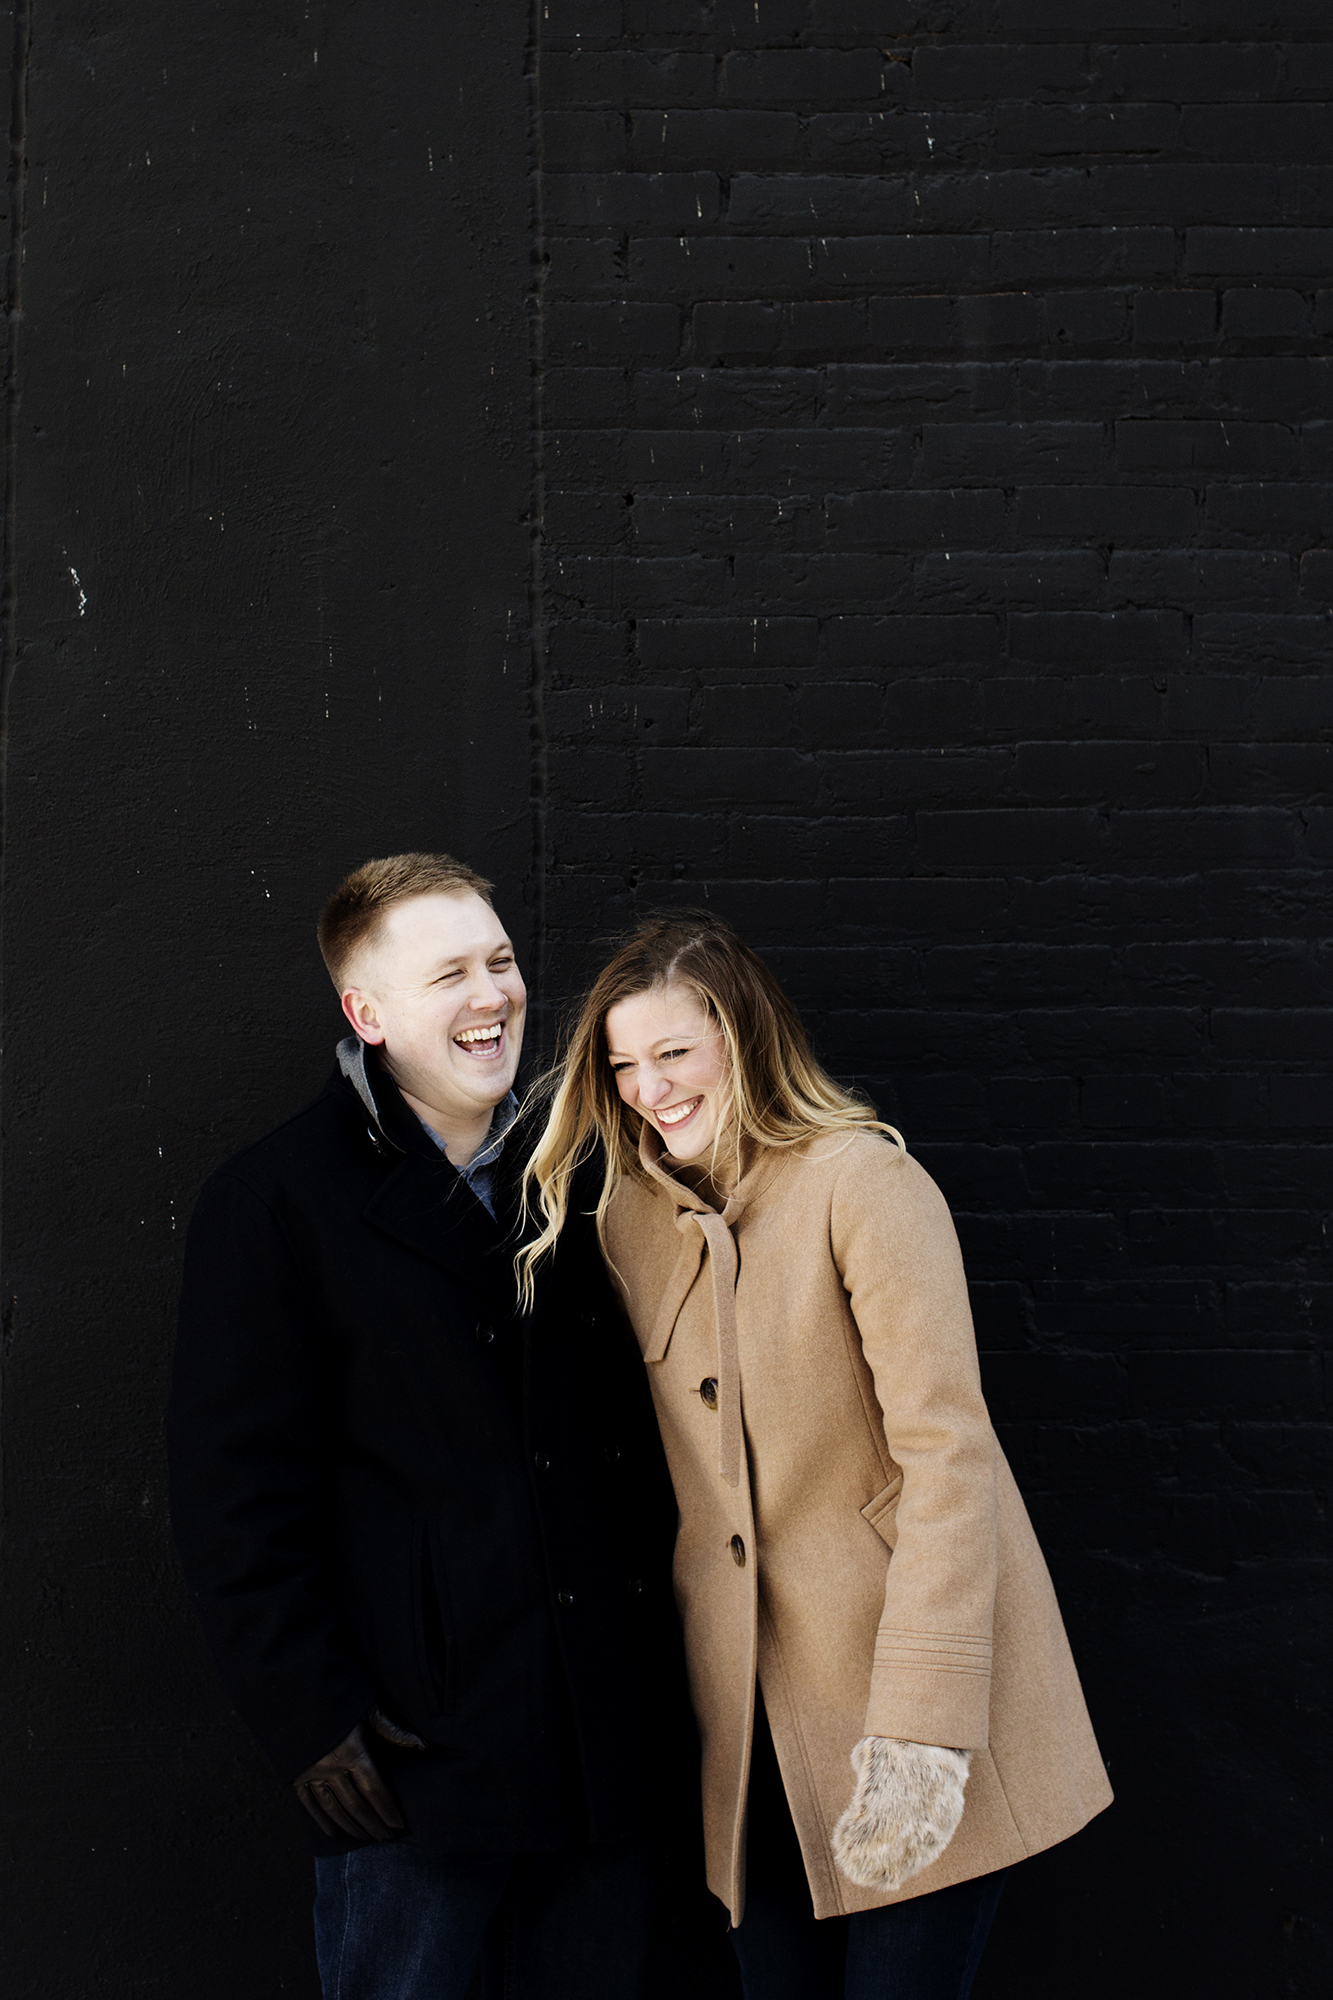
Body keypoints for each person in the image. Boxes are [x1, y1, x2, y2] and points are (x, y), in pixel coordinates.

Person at [520, 911, 1114, 2000]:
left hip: (908, 1704)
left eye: (672, 1053)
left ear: (738, 1039)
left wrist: (920, 1729)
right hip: (747, 1745)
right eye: (621, 1064)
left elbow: (948, 1456)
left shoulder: (863, 1183)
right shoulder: (625, 1223)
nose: (648, 1088)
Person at [167, 854, 694, 2000]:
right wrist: (310, 1719)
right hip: (411, 1762)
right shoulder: (272, 1202)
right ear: (366, 1012)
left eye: (499, 961)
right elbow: (231, 1498)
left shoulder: (591, 1170)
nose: (492, 993)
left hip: (605, 1743)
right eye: (448, 971)